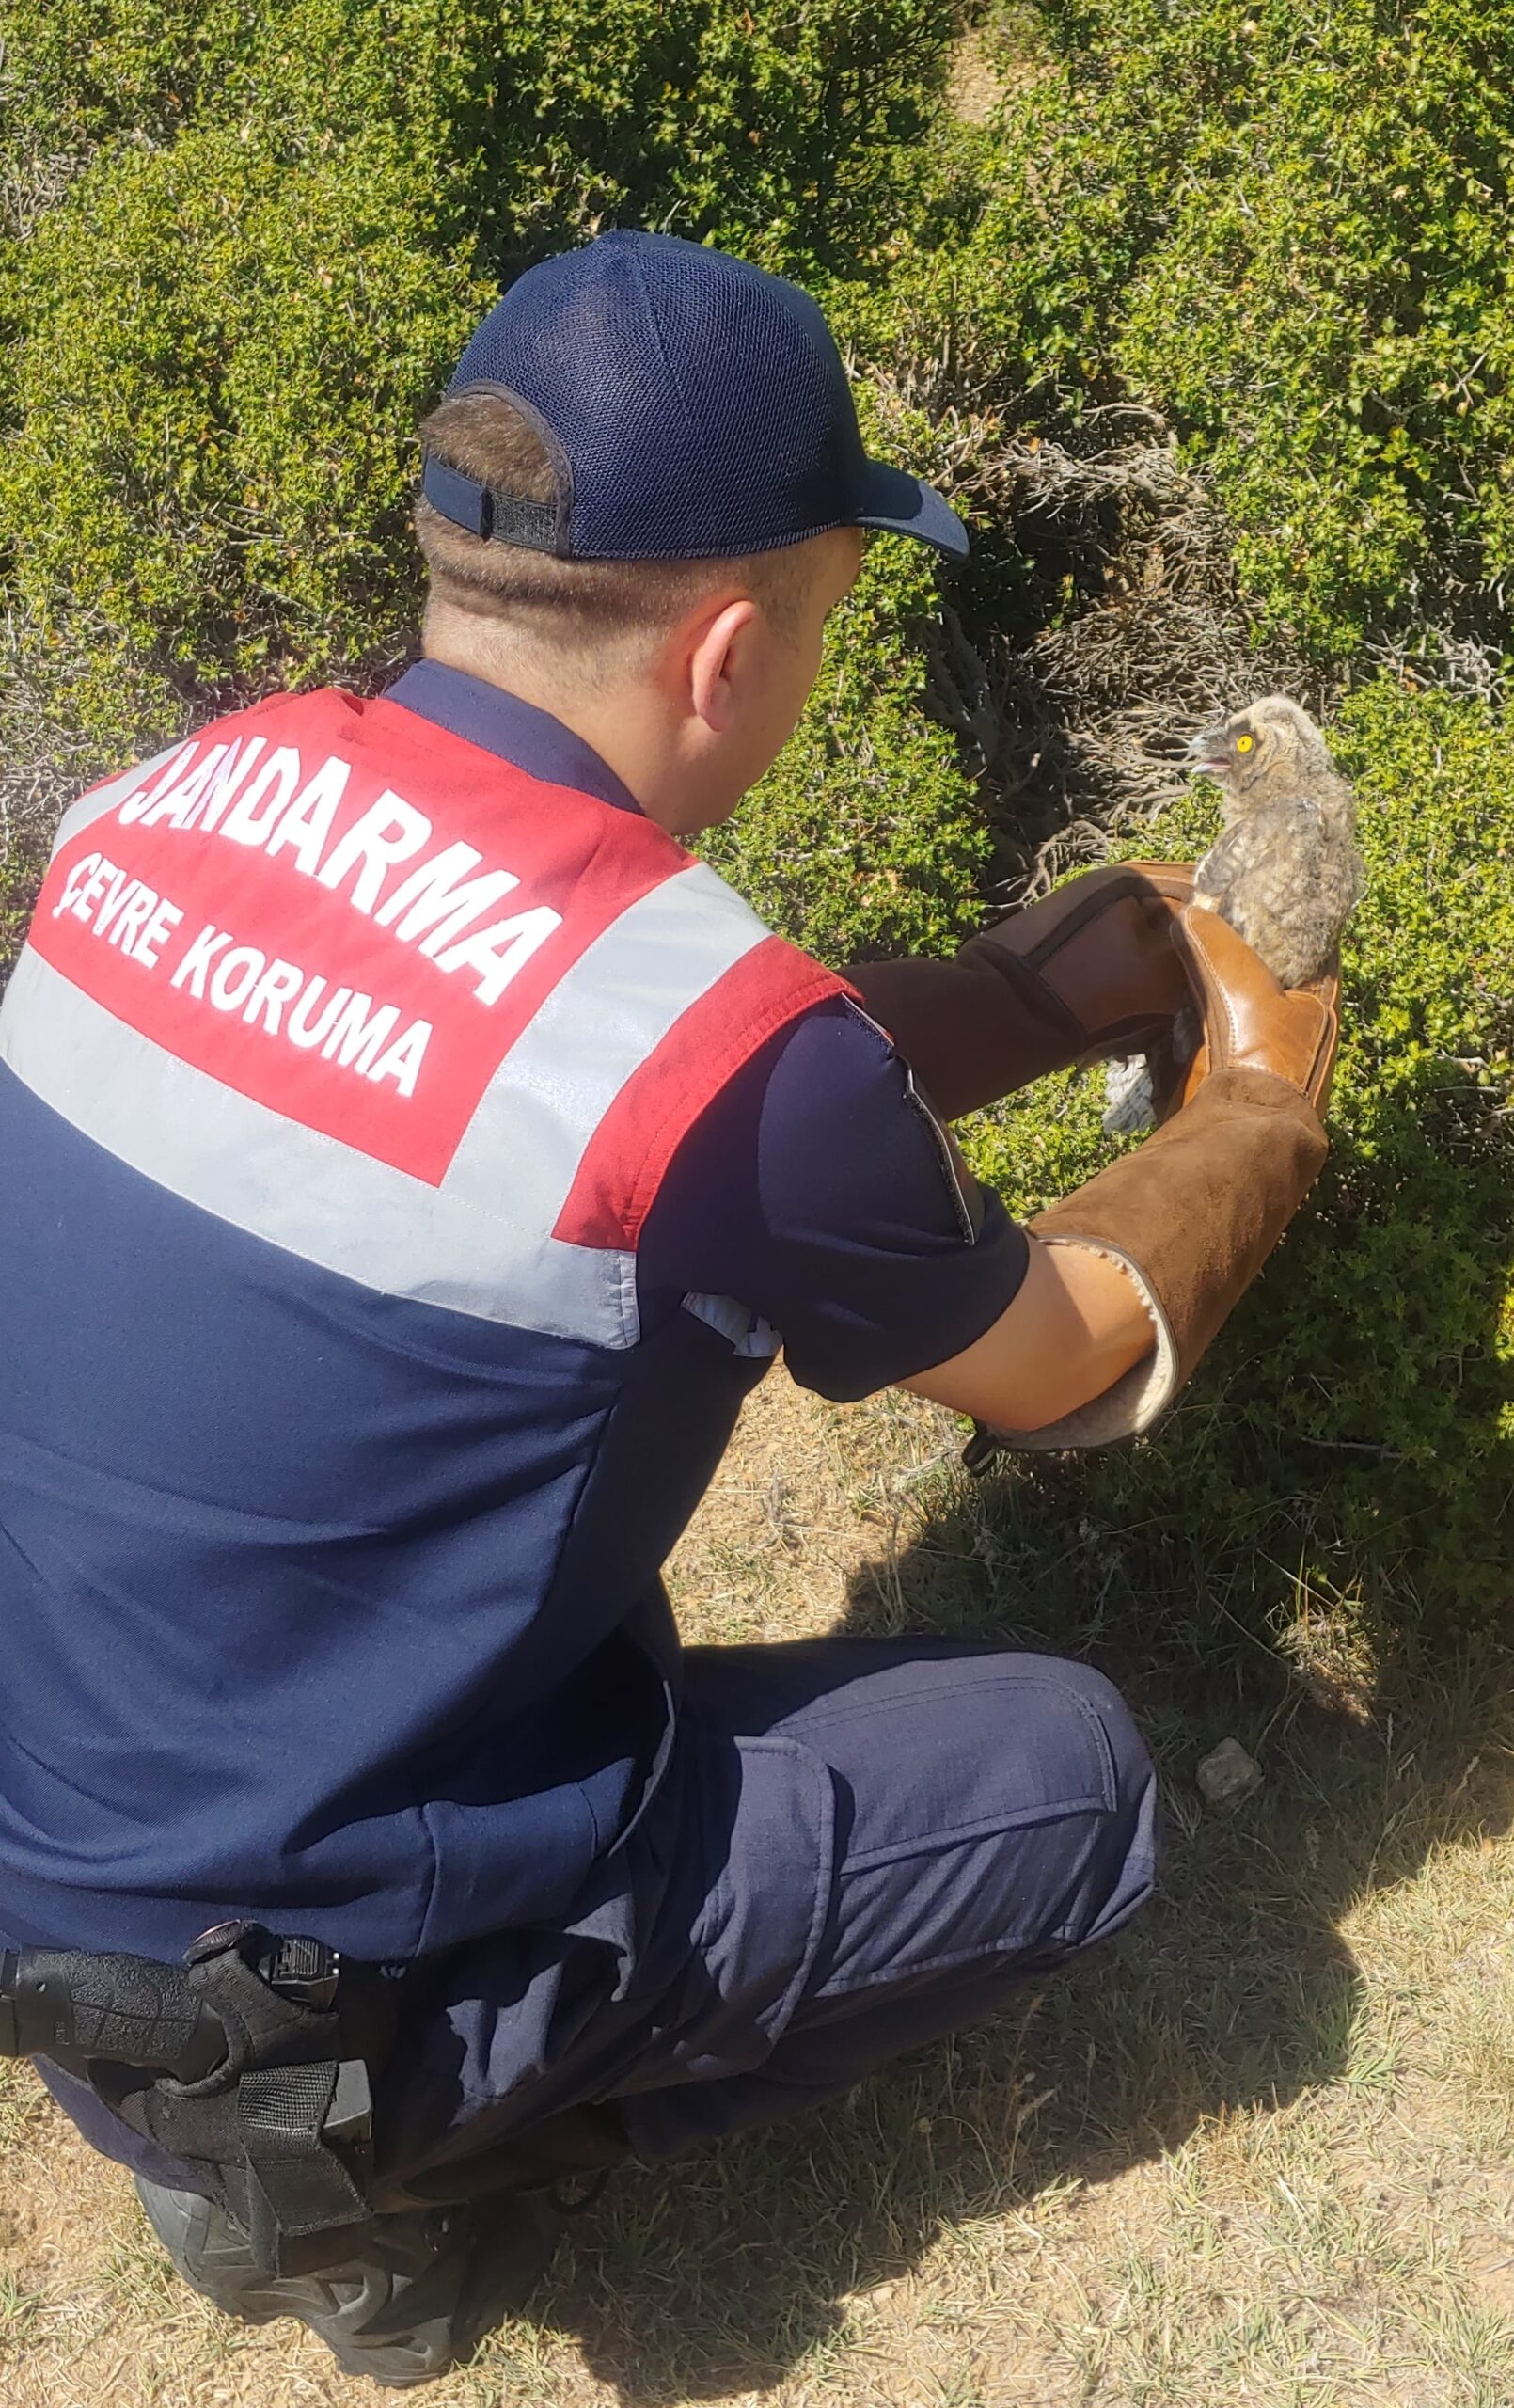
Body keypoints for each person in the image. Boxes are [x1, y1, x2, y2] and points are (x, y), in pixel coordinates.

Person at [0, 230, 1336, 2387]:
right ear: (728, 651)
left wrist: (1019, 995)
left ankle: (298, 2101)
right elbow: (1063, 1353)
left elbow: (633, 1077)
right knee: (1070, 1780)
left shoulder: (160, 808)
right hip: (314, 1995)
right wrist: (1257, 1111)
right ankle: (419, 2164)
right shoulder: (699, 1045)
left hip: (50, 1879)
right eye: (823, 617)